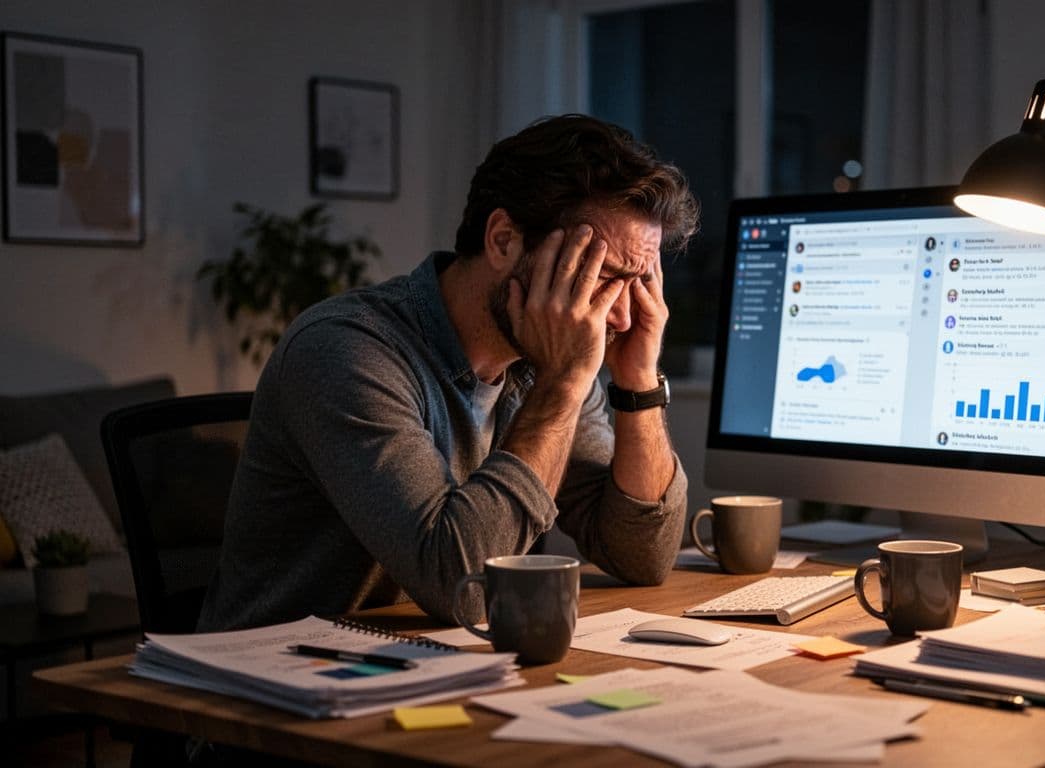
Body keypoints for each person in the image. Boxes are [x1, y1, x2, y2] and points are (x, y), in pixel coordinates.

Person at [199, 115, 699, 631]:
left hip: (438, 663)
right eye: (603, 277)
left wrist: (638, 381)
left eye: (639, 285)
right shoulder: (345, 350)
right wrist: (564, 382)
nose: (622, 317)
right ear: (503, 240)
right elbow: (464, 588)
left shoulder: (544, 362)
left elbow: (643, 556)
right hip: (278, 669)